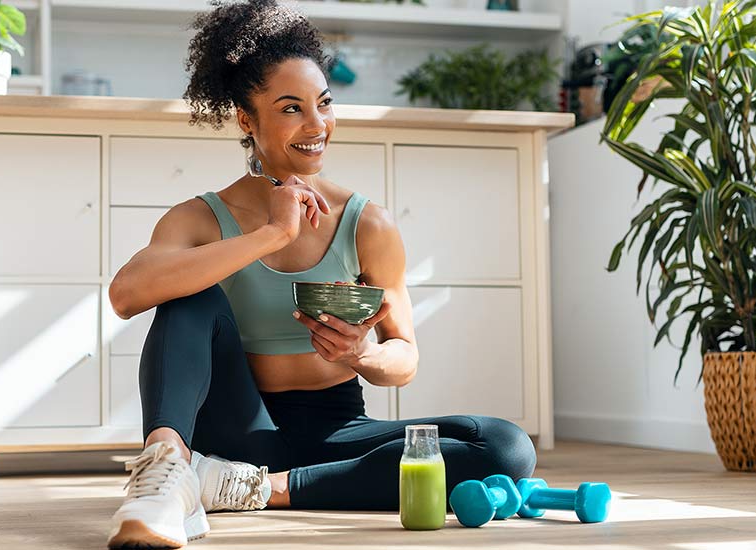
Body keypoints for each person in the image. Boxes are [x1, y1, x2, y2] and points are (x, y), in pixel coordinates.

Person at [105, 1, 536, 547]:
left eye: (324, 104)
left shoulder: (367, 223)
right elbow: (127, 294)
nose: (317, 126)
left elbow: (403, 359)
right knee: (187, 294)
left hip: (337, 430)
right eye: (291, 108)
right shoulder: (199, 218)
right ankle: (165, 475)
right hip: (237, 427)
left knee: (504, 447)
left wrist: (361, 354)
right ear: (247, 119)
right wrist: (270, 235)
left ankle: (246, 488)